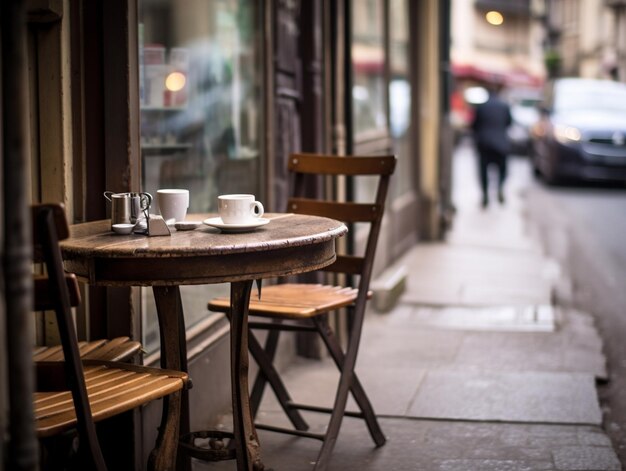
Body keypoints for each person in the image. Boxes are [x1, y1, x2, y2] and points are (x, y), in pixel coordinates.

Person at [471, 83, 512, 208]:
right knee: (502, 170)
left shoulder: (481, 107)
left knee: (483, 172)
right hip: (501, 143)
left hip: (484, 144)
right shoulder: (504, 106)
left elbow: (474, 125)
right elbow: (509, 123)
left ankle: (485, 196)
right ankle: (499, 187)